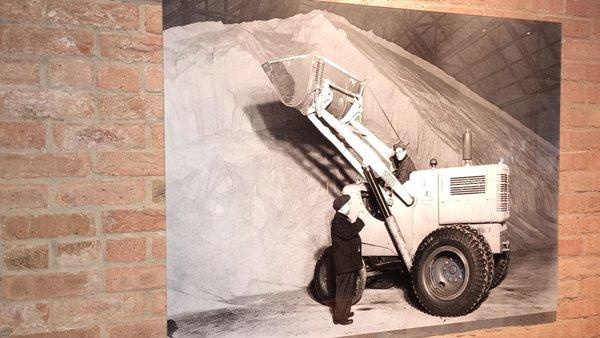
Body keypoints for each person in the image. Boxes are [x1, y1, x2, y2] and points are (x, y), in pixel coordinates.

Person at [331, 194, 365, 325]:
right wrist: (360, 220)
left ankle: (344, 311)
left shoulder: (343, 219)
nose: (350, 206)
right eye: (348, 204)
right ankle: (339, 317)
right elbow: (349, 233)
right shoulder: (338, 221)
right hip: (343, 263)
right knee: (343, 290)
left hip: (347, 263)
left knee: (348, 289)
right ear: (342, 207)